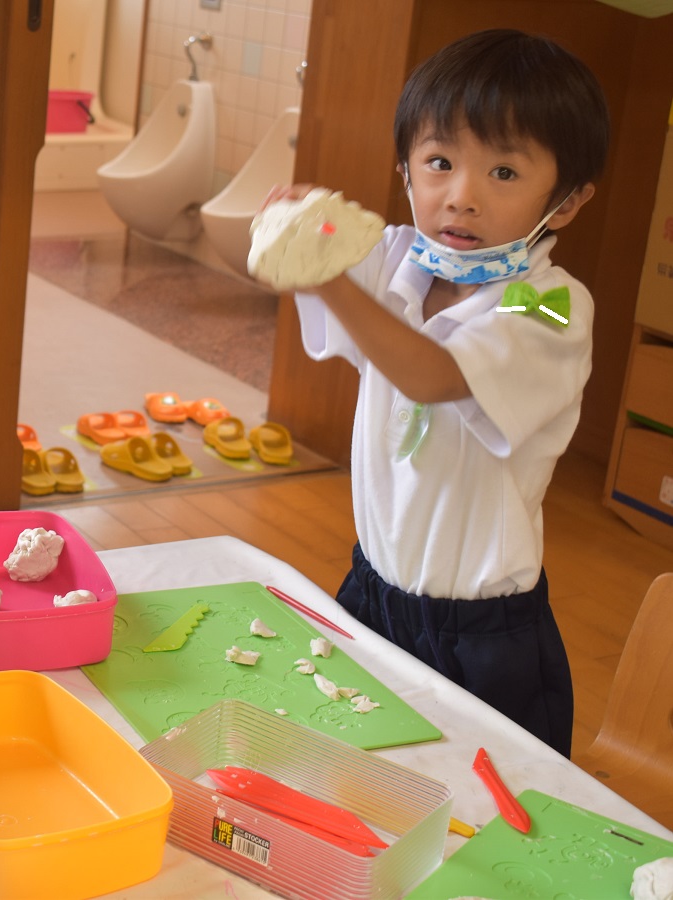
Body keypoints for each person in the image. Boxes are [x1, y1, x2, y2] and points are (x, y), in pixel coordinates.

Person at [260, 29, 609, 757]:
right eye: (439, 162)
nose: (460, 197)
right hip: (370, 594)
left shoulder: (548, 307)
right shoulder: (390, 257)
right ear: (406, 171)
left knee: (486, 815)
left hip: (482, 638)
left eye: (504, 173)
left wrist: (319, 267)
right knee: (353, 781)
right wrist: (295, 220)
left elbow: (431, 374)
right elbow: (289, 250)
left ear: (567, 202)